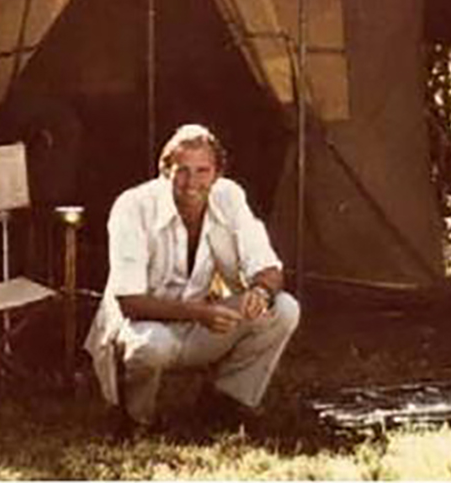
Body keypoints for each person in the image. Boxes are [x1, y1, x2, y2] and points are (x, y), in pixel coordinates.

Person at [84, 123, 300, 434]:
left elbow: (268, 266)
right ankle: (136, 418)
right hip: (142, 327)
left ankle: (225, 401)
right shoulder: (132, 206)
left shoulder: (229, 195)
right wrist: (201, 313)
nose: (192, 182)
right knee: (151, 347)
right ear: (164, 169)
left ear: (217, 173)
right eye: (182, 170)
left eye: (202, 171)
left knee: (284, 309)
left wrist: (261, 292)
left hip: (200, 323)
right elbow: (129, 302)